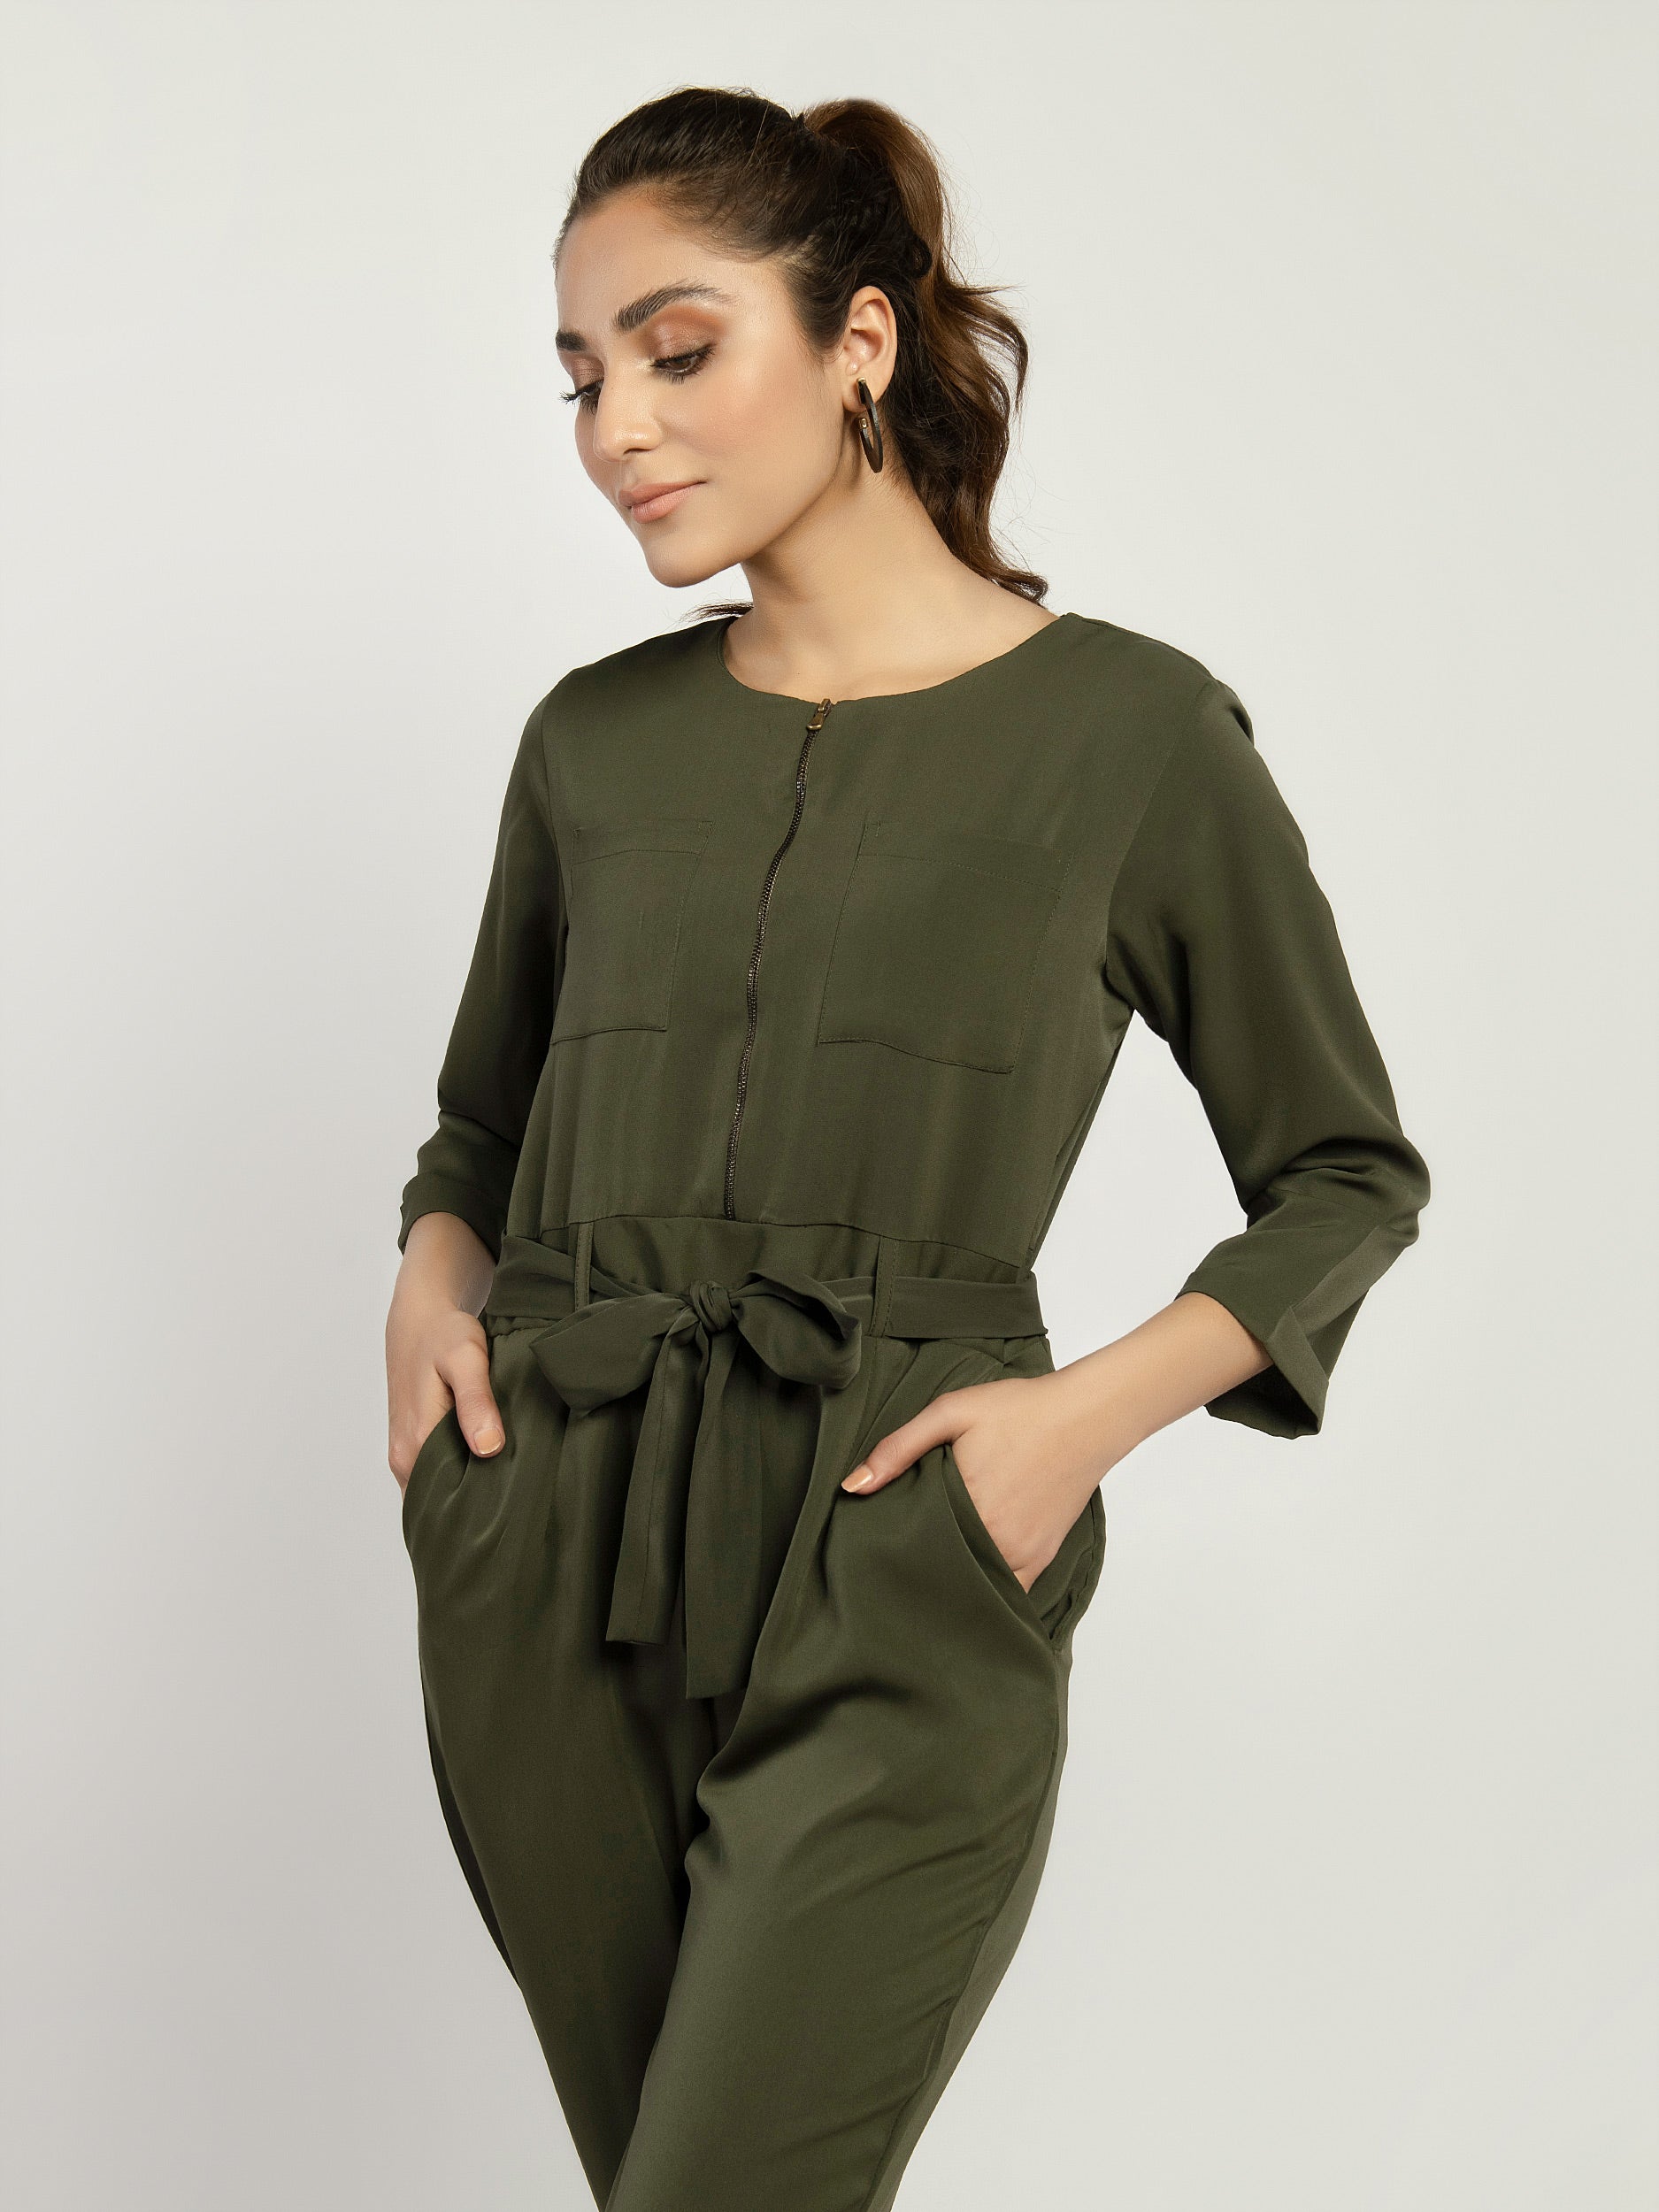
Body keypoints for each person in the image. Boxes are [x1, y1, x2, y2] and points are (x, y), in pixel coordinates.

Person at [384, 84, 1431, 2212]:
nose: (614, 427)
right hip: (550, 1541)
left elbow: (1345, 1168)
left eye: (677, 350)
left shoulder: (1132, 736)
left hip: (900, 1536)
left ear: (856, 340)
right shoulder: (590, 740)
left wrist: (1065, 1425)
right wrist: (427, 1286)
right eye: (581, 378)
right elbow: (480, 1119)